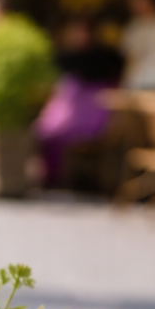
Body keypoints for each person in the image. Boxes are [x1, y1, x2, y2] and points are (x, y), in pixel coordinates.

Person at [35, 18, 124, 187]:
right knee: (43, 130)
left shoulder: (102, 59)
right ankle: (51, 175)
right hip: (69, 112)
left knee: (52, 131)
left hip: (88, 116)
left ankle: (53, 177)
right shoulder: (68, 59)